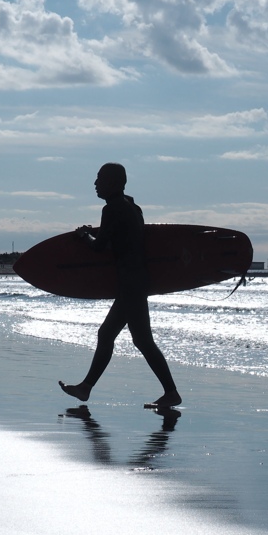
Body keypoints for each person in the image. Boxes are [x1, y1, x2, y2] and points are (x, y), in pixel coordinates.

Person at [59, 163, 182, 408]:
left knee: (135, 339)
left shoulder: (113, 208)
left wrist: (84, 236)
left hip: (131, 282)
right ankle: (86, 388)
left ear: (114, 183)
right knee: (128, 338)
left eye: (100, 179)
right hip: (136, 280)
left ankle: (171, 392)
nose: (95, 184)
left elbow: (100, 246)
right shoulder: (133, 207)